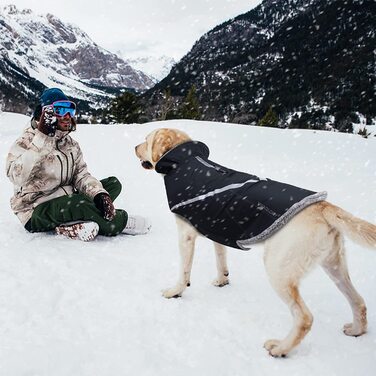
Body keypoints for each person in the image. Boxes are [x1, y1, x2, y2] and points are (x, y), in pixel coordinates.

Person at [6, 87, 151, 241]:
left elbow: (81, 175)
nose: (67, 115)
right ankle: (118, 221)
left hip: (66, 199)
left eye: (70, 109)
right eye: (61, 110)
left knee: (113, 185)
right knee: (78, 203)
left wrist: (99, 194)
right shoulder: (27, 141)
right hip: (35, 210)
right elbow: (17, 177)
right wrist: (42, 139)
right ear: (46, 114)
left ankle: (72, 224)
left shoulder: (69, 143)